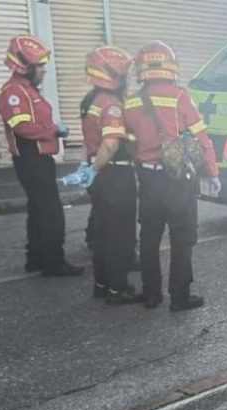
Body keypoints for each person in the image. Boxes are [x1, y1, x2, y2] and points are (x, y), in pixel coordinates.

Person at [124, 41, 220, 312]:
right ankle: (179, 297)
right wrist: (212, 172)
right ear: (169, 67)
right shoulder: (179, 96)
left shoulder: (131, 100)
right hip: (177, 178)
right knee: (182, 236)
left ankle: (151, 294)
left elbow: (128, 139)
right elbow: (202, 137)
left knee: (150, 237)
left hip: (147, 177)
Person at [0, 35, 83, 277]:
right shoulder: (14, 92)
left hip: (37, 158)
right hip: (30, 158)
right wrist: (54, 130)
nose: (44, 71)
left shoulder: (27, 90)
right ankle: (54, 262)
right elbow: (21, 128)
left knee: (37, 209)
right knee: (51, 211)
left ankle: (35, 258)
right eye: (40, 66)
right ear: (25, 66)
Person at [80, 45, 142, 305]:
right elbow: (110, 144)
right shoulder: (111, 104)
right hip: (115, 175)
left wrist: (90, 170)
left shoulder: (90, 99)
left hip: (100, 175)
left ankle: (103, 284)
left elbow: (90, 142)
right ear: (114, 75)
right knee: (120, 234)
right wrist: (97, 169)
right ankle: (118, 288)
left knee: (103, 234)